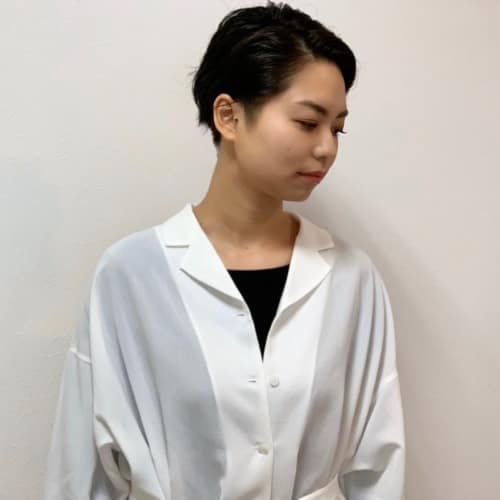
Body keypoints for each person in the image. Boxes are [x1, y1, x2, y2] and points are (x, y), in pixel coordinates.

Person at [44, 2, 406, 499]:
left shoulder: (351, 279)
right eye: (308, 122)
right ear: (228, 116)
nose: (327, 148)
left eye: (337, 128)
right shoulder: (130, 276)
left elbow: (378, 464)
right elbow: (84, 470)